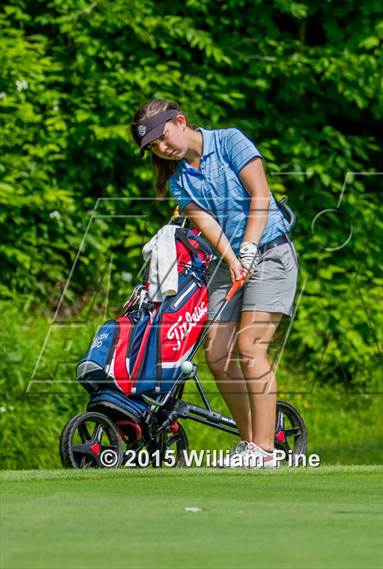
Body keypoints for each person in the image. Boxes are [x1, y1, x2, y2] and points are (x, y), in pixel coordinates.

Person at [131, 99, 298, 467]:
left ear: (180, 121)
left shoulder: (230, 141)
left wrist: (250, 248)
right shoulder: (178, 181)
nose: (162, 147)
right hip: (229, 262)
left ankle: (267, 451)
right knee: (218, 354)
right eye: (154, 146)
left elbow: (261, 195)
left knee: (250, 345)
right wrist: (236, 260)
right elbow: (211, 229)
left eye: (162, 136)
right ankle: (251, 441)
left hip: (271, 251)